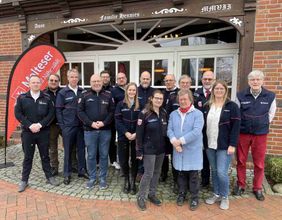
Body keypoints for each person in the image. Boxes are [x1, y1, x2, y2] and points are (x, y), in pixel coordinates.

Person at [233, 70, 276, 201]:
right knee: (241, 160)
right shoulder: (240, 95)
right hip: (243, 133)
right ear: (249, 81)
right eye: (252, 80)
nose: (255, 82)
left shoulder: (270, 96)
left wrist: (261, 124)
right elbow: (237, 113)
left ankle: (257, 188)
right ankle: (241, 185)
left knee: (259, 163)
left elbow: (271, 114)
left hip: (260, 134)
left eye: (258, 79)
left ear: (262, 81)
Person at [15, 75, 60, 192]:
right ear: (29, 84)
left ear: (41, 84)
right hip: (28, 133)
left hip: (43, 132)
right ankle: (24, 180)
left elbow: (51, 113)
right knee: (27, 157)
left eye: (37, 83)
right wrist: (30, 125)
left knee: (45, 156)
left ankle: (49, 177)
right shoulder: (22, 98)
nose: (35, 84)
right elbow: (18, 114)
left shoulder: (46, 98)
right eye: (33, 82)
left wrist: (40, 125)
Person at [203, 80, 240, 210]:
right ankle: (216, 193)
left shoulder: (232, 106)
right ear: (213, 90)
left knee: (221, 172)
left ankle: (225, 196)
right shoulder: (208, 105)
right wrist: (203, 143)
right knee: (214, 171)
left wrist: (233, 144)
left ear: (225, 90)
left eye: (221, 89)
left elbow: (236, 127)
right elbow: (204, 126)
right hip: (210, 144)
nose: (219, 91)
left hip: (224, 145)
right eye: (216, 88)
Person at [167, 89, 204, 211]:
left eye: (185, 99)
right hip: (178, 150)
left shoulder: (198, 114)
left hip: (193, 151)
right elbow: (169, 130)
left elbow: (196, 131)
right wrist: (174, 142)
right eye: (181, 99)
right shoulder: (173, 114)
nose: (183, 101)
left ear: (190, 100)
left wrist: (180, 141)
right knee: (181, 174)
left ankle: (194, 197)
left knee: (193, 176)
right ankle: (182, 194)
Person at [77, 74, 114, 190]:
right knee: (91, 155)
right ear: (90, 82)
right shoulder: (84, 95)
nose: (96, 83)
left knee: (104, 155)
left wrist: (104, 123)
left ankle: (103, 178)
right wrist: (90, 123)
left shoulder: (108, 95)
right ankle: (92, 178)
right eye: (94, 81)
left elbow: (112, 112)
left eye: (98, 81)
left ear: (102, 82)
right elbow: (80, 112)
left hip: (105, 130)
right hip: (89, 131)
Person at [136, 90, 167, 211]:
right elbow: (139, 134)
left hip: (161, 149)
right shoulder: (144, 113)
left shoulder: (164, 112)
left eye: (161, 99)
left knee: (157, 172)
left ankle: (152, 194)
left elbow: (166, 132)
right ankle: (141, 197)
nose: (159, 100)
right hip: (149, 149)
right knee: (148, 173)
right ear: (151, 99)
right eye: (157, 98)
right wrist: (139, 151)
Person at [56, 68, 88, 185]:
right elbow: (58, 110)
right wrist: (62, 126)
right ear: (68, 78)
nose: (74, 79)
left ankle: (82, 170)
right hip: (68, 127)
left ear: (78, 78)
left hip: (81, 126)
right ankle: (67, 174)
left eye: (76, 77)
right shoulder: (62, 93)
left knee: (81, 149)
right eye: (72, 77)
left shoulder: (83, 91)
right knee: (68, 151)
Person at [115, 82, 141, 194]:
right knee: (123, 160)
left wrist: (136, 133)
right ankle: (127, 181)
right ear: (126, 91)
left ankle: (133, 181)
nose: (131, 92)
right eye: (130, 90)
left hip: (136, 136)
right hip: (123, 136)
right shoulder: (121, 104)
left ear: (136, 92)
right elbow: (117, 120)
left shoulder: (140, 104)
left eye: (133, 90)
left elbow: (142, 121)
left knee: (135, 161)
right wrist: (125, 132)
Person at [194, 70, 215, 188]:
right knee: (200, 154)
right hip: (199, 130)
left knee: (209, 154)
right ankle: (202, 179)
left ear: (213, 80)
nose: (207, 81)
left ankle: (209, 179)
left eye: (209, 79)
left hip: (212, 130)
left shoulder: (217, 92)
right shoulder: (196, 93)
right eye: (205, 79)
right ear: (201, 80)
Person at [160, 74, 179, 185]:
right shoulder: (162, 94)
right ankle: (164, 173)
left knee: (175, 153)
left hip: (175, 129)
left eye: (170, 80)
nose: (168, 82)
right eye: (166, 80)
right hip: (163, 128)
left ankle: (176, 176)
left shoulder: (178, 93)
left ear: (174, 81)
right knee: (164, 153)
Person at [44, 74, 61, 176]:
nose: (53, 82)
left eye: (56, 80)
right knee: (53, 148)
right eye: (51, 80)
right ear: (48, 81)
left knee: (71, 146)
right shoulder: (44, 94)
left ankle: (73, 165)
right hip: (51, 125)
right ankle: (54, 167)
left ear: (58, 82)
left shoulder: (63, 92)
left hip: (64, 124)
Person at [110, 72, 128, 170]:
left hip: (129, 120)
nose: (121, 79)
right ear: (117, 80)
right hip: (116, 120)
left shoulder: (130, 89)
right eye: (119, 78)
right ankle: (114, 160)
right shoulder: (113, 91)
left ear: (126, 78)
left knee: (126, 142)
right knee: (114, 141)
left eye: (123, 77)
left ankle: (127, 160)